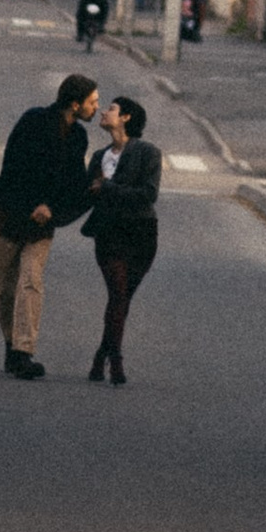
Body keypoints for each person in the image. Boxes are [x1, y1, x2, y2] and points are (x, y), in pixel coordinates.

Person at [0, 70, 99, 378]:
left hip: (42, 222)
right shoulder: (33, 122)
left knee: (31, 279)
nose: (96, 108)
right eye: (92, 102)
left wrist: (56, 205)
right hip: (9, 213)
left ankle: (24, 351)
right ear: (74, 104)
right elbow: (14, 168)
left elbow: (72, 181)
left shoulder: (78, 136)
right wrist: (30, 205)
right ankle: (11, 346)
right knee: (3, 283)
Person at [83, 95, 163, 386]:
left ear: (127, 117)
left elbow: (148, 194)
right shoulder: (97, 157)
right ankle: (115, 358)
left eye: (112, 109)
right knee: (117, 294)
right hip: (109, 234)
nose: (103, 112)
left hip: (141, 234)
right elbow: (88, 194)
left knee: (122, 298)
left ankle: (100, 354)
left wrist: (107, 187)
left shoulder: (148, 153)